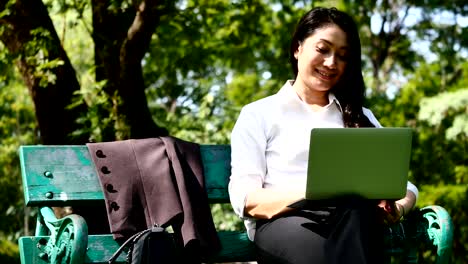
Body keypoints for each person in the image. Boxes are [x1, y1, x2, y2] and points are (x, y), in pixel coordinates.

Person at [228, 6, 418, 264]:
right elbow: (247, 199)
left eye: (342, 55)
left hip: (352, 221)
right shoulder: (259, 114)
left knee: (355, 214)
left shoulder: (359, 117)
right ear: (298, 48)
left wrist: (396, 208)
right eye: (322, 49)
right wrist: (314, 194)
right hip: (285, 224)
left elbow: (403, 187)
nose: (331, 63)